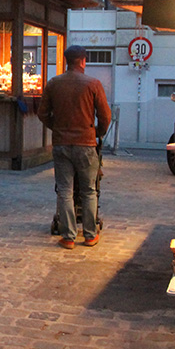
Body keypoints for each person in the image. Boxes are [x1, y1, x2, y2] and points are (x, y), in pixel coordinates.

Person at [38, 45, 111, 249]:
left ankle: (68, 236)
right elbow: (105, 116)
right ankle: (89, 234)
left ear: (66, 61)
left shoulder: (54, 84)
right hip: (86, 144)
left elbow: (42, 113)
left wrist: (58, 128)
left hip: (61, 143)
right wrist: (96, 132)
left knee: (64, 190)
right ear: (83, 61)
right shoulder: (93, 84)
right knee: (89, 190)